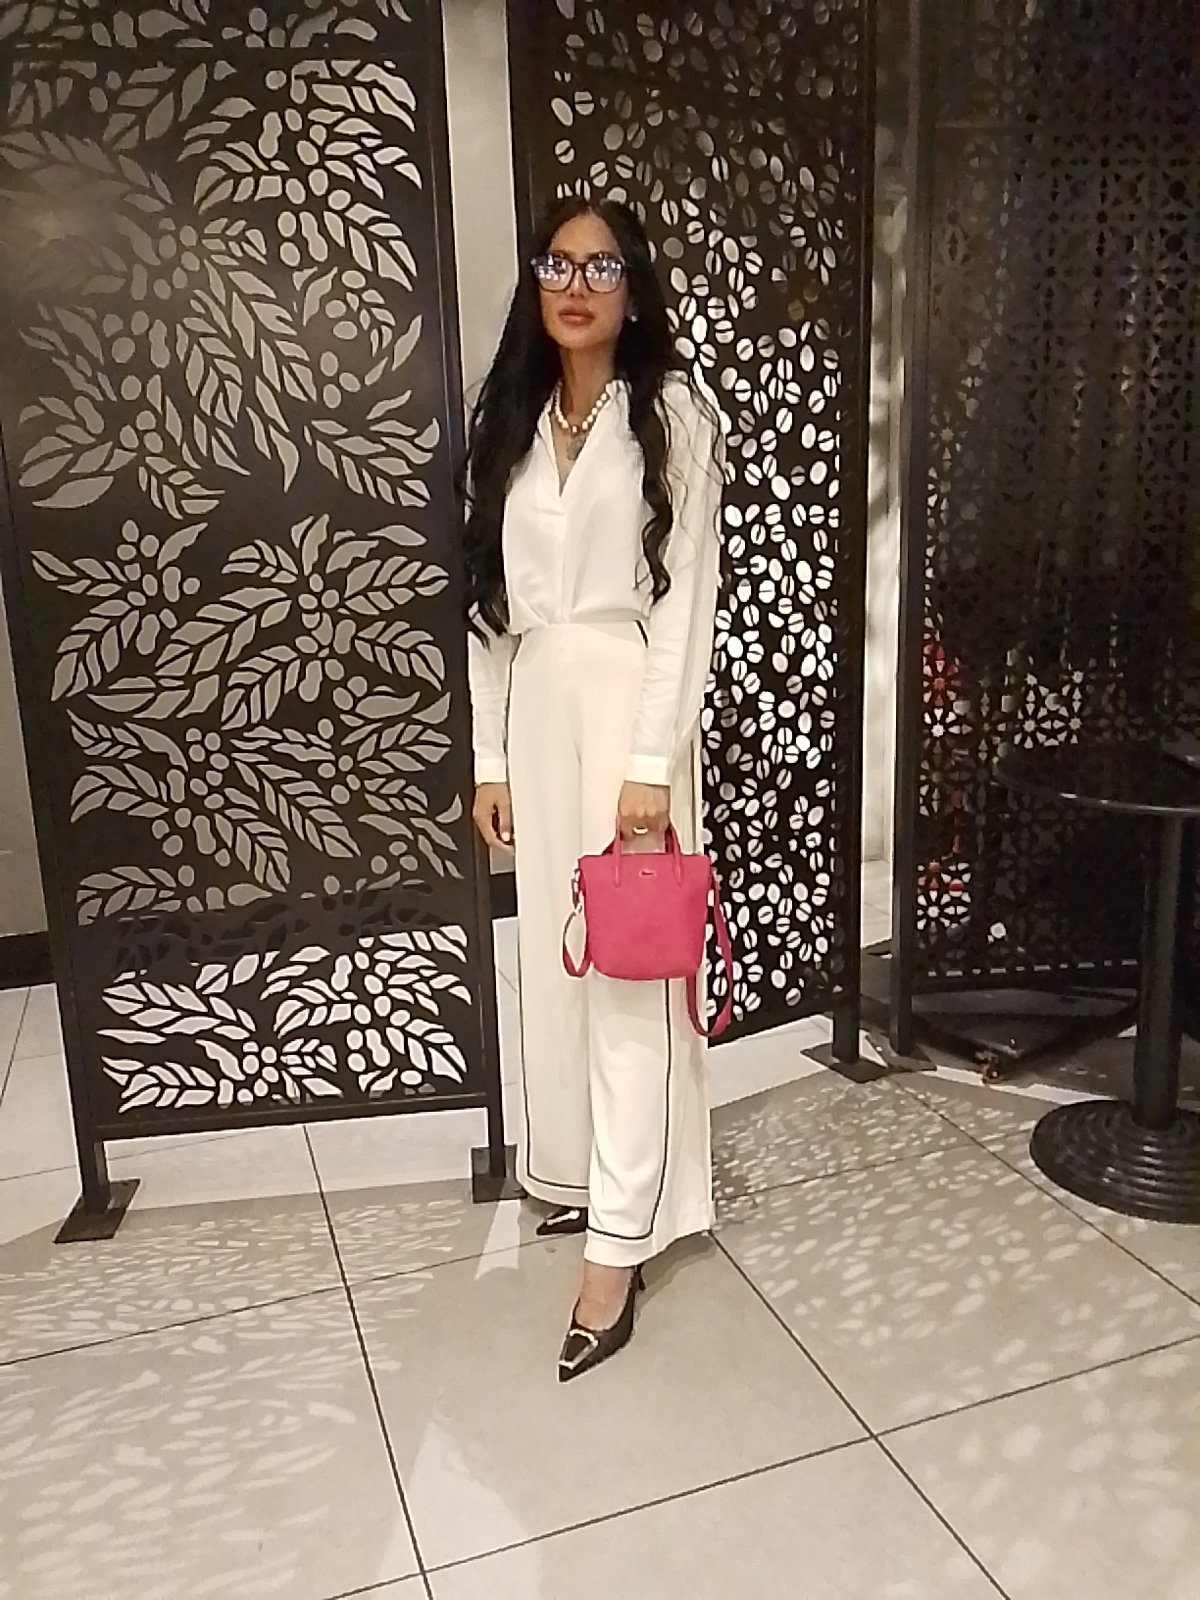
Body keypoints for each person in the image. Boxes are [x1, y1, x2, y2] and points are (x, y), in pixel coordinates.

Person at [461, 196, 724, 1381]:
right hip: (538, 712)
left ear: (633, 285)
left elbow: (687, 603)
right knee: (559, 970)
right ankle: (585, 1173)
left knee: (630, 983)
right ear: (537, 282)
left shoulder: (674, 414)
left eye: (601, 265)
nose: (576, 285)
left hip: (628, 716)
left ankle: (617, 1248)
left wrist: (649, 765)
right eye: (557, 264)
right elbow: (489, 613)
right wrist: (490, 759)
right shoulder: (511, 421)